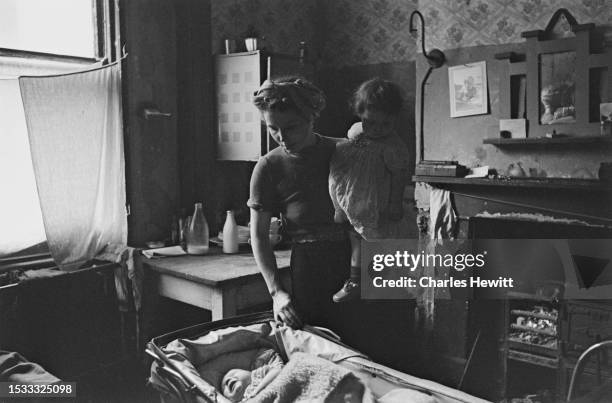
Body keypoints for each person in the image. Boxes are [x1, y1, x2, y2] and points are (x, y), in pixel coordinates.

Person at [248, 76, 351, 330]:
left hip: (355, 259)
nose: (281, 136)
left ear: (311, 117)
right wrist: (277, 293)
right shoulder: (269, 167)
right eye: (272, 128)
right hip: (309, 267)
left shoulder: (344, 152)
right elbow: (259, 236)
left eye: (291, 127)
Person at [329, 78, 409, 302]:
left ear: (394, 119)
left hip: (378, 203)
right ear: (360, 114)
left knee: (377, 242)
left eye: (386, 124)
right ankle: (355, 280)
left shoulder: (394, 147)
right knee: (355, 237)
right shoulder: (357, 131)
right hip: (355, 198)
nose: (377, 130)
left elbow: (399, 175)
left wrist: (394, 203)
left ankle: (379, 282)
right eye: (370, 123)